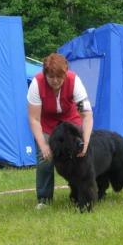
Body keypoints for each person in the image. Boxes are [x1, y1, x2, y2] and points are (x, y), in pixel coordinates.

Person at [27, 53, 93, 209]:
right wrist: (43, 145)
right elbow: (34, 119)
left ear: (65, 74)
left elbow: (87, 114)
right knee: (45, 158)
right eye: (51, 77)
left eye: (59, 77)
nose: (55, 81)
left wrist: (86, 140)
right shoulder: (36, 84)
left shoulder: (74, 81)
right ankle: (44, 199)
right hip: (47, 125)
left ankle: (80, 193)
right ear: (45, 74)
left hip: (71, 123)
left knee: (80, 155)